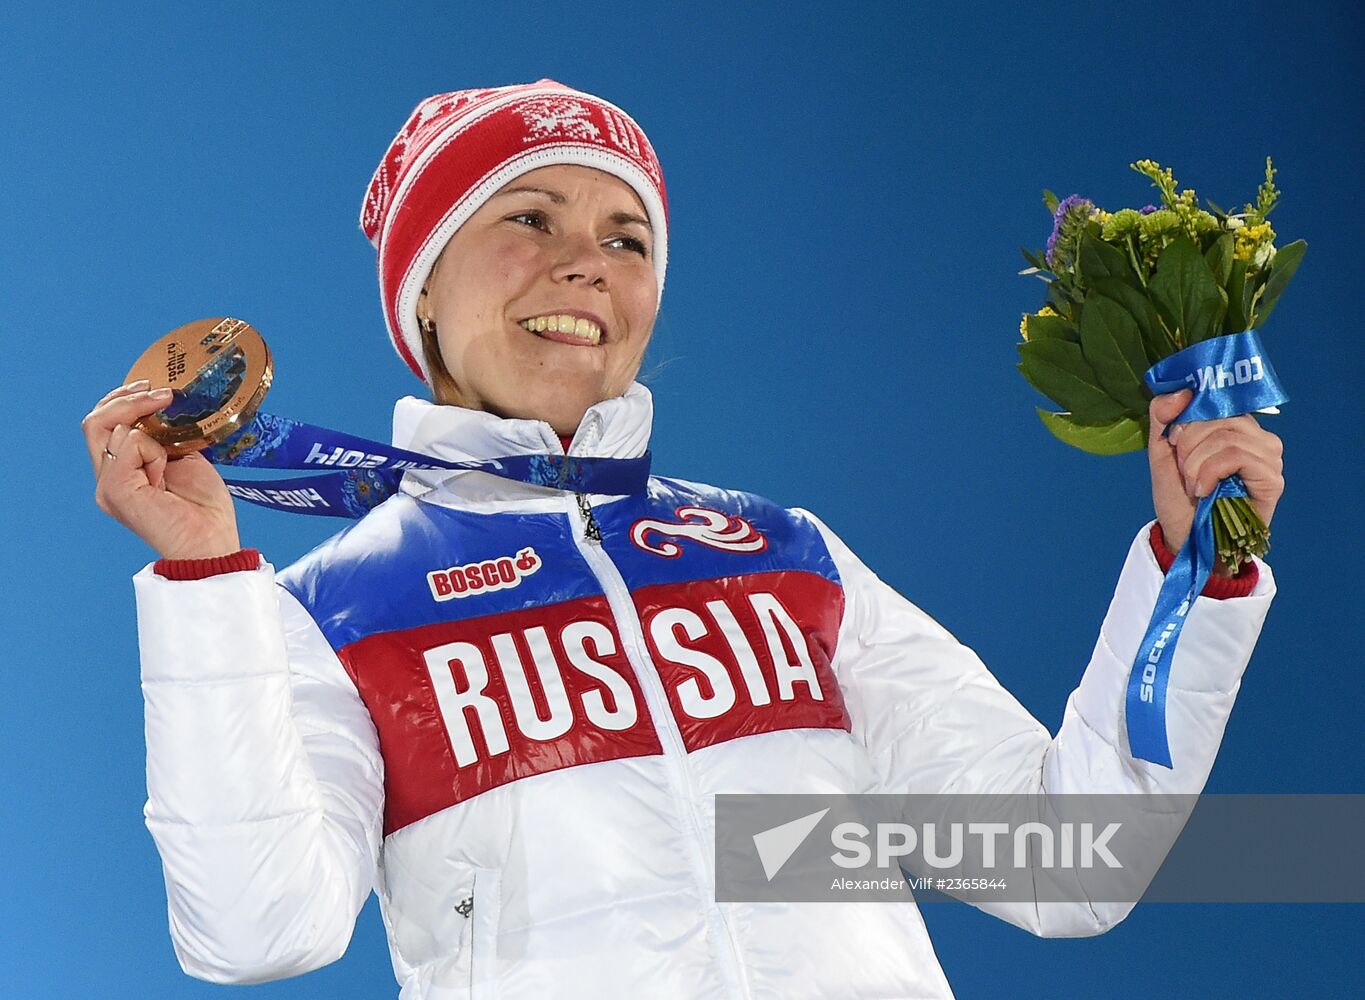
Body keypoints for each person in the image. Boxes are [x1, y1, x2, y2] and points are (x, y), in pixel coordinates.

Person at [83, 80, 1283, 999]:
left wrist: (1201, 575)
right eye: (529, 214)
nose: (585, 265)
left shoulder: (784, 550)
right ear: (425, 295)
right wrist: (203, 584)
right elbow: (258, 928)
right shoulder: (331, 606)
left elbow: (1069, 860)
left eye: (628, 237)